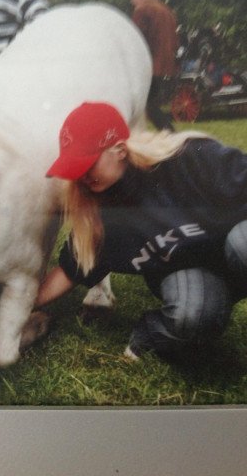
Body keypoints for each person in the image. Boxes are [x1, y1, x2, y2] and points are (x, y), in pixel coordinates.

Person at [36, 101, 247, 362]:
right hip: (192, 275)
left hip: (236, 249)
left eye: (88, 164)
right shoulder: (101, 215)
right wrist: (18, 306)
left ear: (120, 150)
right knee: (192, 317)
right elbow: (70, 271)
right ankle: (150, 334)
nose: (82, 177)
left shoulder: (189, 157)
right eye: (75, 169)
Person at [130, 0, 178, 131]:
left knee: (146, 106)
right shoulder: (166, 10)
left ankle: (171, 135)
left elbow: (133, 37)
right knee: (149, 106)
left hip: (149, 67)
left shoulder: (143, 10)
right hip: (166, 67)